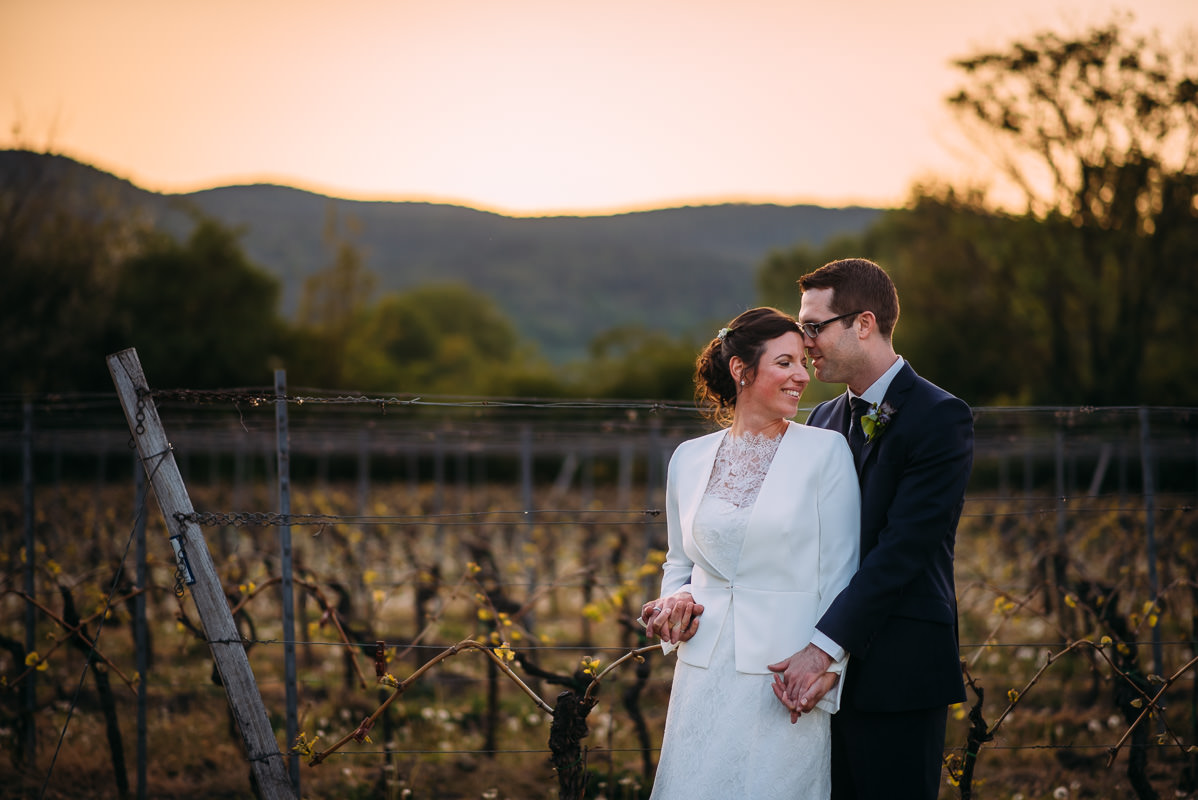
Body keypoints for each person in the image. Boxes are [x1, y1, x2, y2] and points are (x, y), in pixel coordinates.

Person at [770, 258, 974, 800]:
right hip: (818, 677)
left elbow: (903, 550)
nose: (805, 341)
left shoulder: (940, 416)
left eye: (814, 327)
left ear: (863, 323)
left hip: (899, 669)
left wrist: (825, 647)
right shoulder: (821, 421)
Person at [640, 306, 861, 800]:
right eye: (785, 363)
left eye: (803, 362)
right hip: (702, 669)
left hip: (785, 675)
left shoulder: (826, 452)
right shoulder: (688, 458)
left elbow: (843, 572)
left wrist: (829, 668)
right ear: (742, 370)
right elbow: (680, 561)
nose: (801, 376)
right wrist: (673, 601)